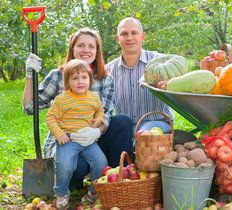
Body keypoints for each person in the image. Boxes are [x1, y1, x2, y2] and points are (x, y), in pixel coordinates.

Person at [23, 28, 133, 190]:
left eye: (91, 46)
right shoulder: (57, 76)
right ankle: (72, 180)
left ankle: (113, 180)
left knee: (123, 122)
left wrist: (96, 131)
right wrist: (29, 75)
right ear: (72, 49)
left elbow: (106, 116)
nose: (86, 50)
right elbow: (29, 108)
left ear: (97, 51)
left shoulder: (105, 79)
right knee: (78, 165)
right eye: (81, 45)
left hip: (93, 140)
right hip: (65, 140)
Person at [46, 59, 107, 209]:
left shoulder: (93, 97)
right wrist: (59, 133)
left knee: (101, 163)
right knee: (64, 164)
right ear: (67, 83)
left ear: (90, 80)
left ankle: (94, 192)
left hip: (88, 140)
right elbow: (50, 118)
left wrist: (98, 121)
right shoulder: (62, 100)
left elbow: (100, 111)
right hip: (69, 139)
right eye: (75, 78)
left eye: (84, 77)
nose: (80, 81)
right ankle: (61, 193)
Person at [106, 17, 173, 131]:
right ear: (118, 38)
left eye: (134, 33)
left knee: (144, 136)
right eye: (124, 34)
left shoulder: (161, 63)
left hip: (156, 123)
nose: (129, 38)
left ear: (142, 36)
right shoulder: (108, 70)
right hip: (125, 127)